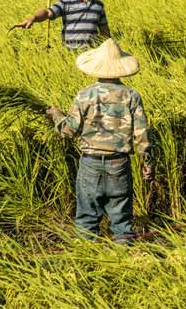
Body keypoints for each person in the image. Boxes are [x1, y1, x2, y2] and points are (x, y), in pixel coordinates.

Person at [46, 39, 152, 243]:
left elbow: (69, 130)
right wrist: (147, 164)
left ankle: (88, 266)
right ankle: (127, 264)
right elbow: (142, 135)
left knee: (86, 221)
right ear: (120, 68)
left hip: (90, 164)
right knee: (122, 222)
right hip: (118, 164)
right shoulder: (132, 96)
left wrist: (56, 115)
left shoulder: (84, 95)